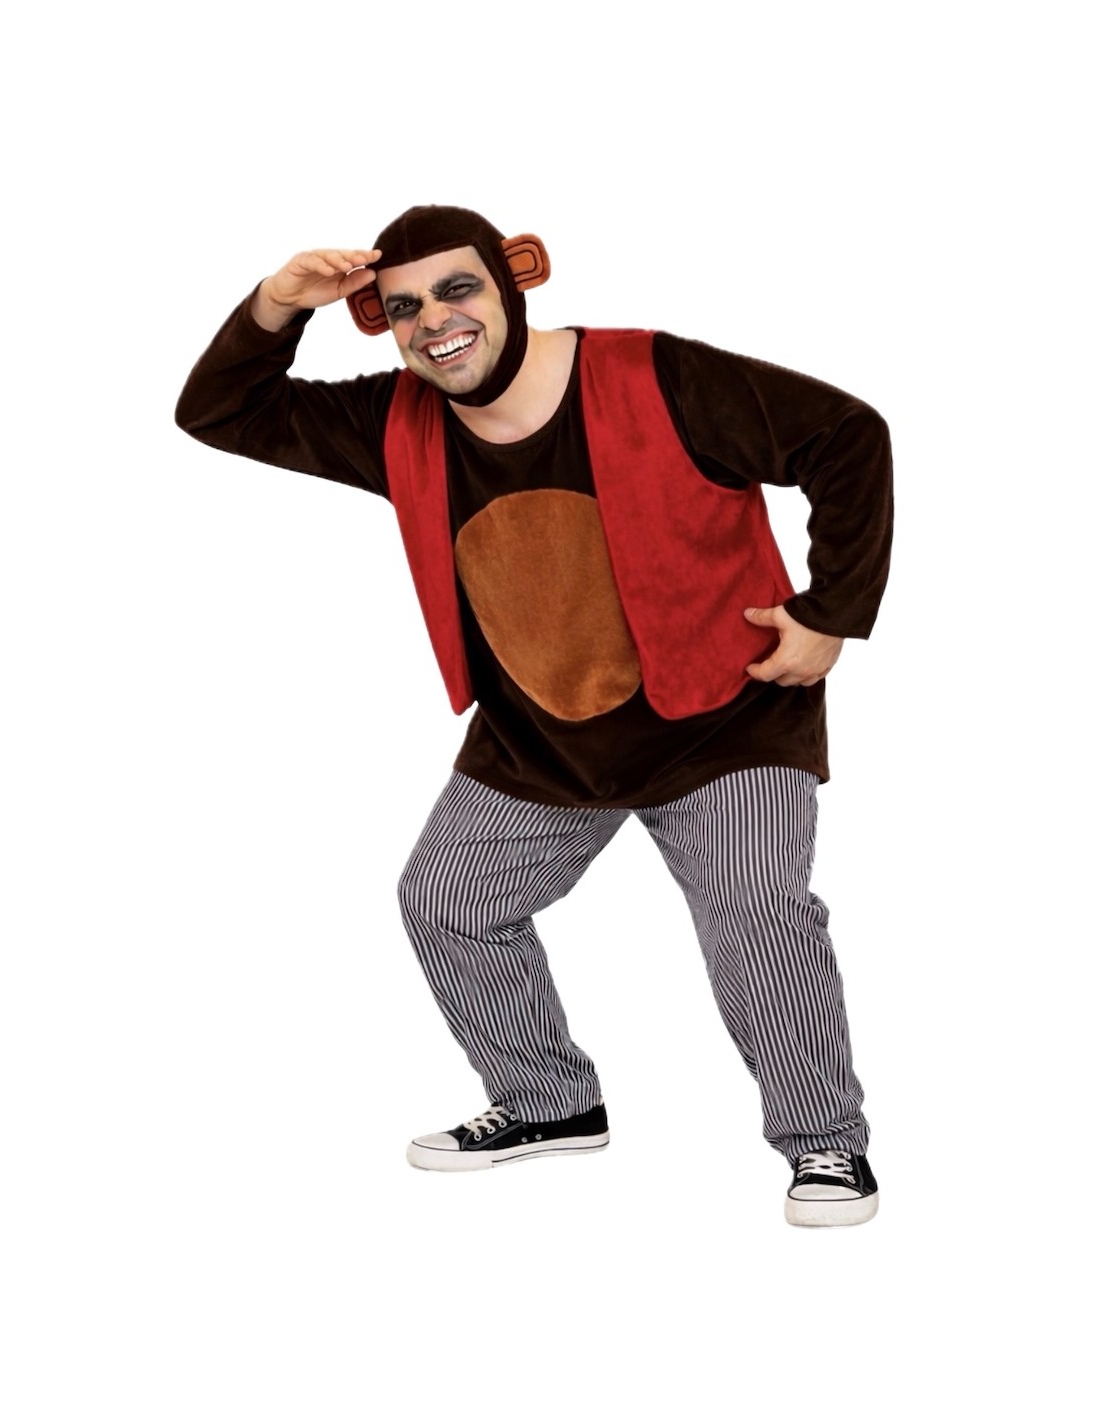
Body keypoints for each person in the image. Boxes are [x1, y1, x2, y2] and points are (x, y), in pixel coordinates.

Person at [176, 204, 893, 1227]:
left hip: (722, 718)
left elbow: (846, 435)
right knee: (445, 900)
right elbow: (219, 412)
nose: (435, 320)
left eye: (457, 289)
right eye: (403, 306)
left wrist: (831, 614)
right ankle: (547, 1101)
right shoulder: (392, 422)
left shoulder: (657, 376)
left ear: (514, 278)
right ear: (380, 322)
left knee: (753, 911)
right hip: (543, 737)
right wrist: (277, 303)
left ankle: (824, 1142)